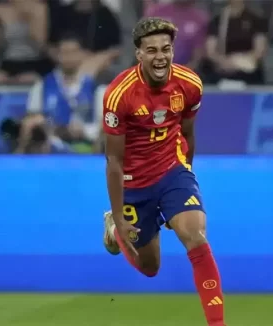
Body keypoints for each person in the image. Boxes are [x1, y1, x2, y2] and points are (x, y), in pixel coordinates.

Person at [101, 18, 226, 326]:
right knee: (150, 267)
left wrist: (185, 183)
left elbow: (188, 134)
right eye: (152, 50)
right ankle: (114, 231)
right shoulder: (119, 95)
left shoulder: (189, 84)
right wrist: (119, 217)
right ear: (138, 54)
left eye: (166, 49)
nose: (161, 57)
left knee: (195, 235)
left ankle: (217, 323)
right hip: (134, 183)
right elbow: (114, 161)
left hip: (172, 171)